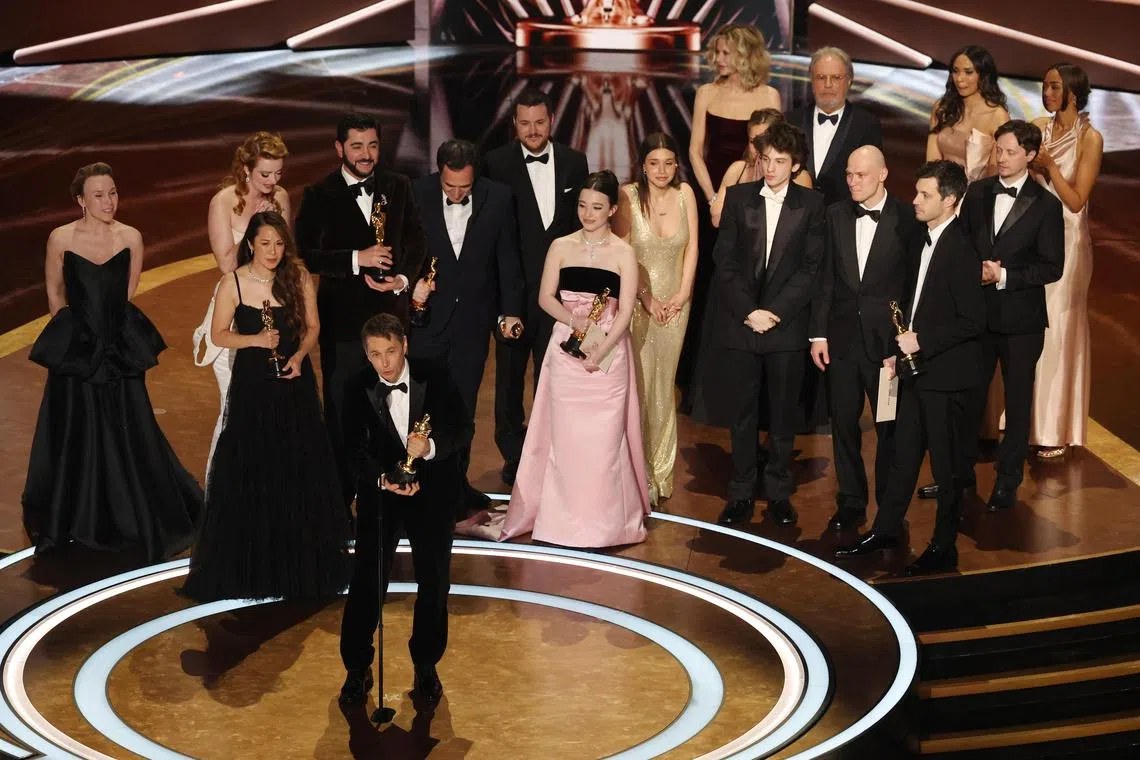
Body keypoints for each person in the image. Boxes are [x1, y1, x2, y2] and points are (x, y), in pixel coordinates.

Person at [23, 163, 203, 562]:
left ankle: (132, 515)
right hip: (78, 349)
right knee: (76, 429)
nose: (109, 202)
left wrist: (106, 337)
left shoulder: (131, 237)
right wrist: (73, 340)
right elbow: (54, 293)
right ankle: (76, 519)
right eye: (99, 195)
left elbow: (127, 291)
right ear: (81, 201)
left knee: (130, 427)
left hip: (119, 348)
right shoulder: (60, 238)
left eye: (113, 193)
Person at [464, 171, 650, 547]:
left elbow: (626, 311)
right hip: (566, 350)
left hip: (609, 354)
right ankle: (561, 520)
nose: (588, 213)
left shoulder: (624, 253)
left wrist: (601, 349)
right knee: (566, 440)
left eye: (596, 207)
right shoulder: (561, 246)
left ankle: (605, 523)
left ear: (612, 210)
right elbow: (545, 297)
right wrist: (574, 321)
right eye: (582, 205)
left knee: (603, 443)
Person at [182, 212, 351, 601]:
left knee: (296, 464)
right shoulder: (233, 283)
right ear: (251, 245)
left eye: (278, 243)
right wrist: (256, 340)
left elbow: (313, 327)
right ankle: (254, 564)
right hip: (252, 386)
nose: (273, 251)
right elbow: (218, 335)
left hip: (294, 381)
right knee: (254, 464)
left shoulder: (298, 277)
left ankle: (298, 563)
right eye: (265, 244)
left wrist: (300, 356)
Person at [835, 160, 986, 576]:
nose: (915, 200)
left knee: (946, 469)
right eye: (917, 192)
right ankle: (886, 530)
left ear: (950, 200)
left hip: (948, 378)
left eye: (925, 195)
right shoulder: (923, 238)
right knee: (903, 457)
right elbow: (915, 303)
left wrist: (921, 342)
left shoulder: (961, 248)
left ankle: (944, 547)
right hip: (917, 370)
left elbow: (973, 321)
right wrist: (898, 350)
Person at [692, 122, 826, 528]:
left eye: (780, 161)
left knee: (783, 415)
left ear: (796, 165)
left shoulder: (812, 204)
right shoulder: (738, 197)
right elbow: (724, 260)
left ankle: (779, 492)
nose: (770, 168)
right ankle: (741, 491)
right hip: (741, 322)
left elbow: (811, 268)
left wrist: (775, 312)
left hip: (785, 325)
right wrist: (749, 311)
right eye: (765, 159)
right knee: (743, 413)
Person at [337, 314, 472, 709]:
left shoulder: (437, 376)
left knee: (434, 581)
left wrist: (429, 449)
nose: (385, 363)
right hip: (382, 496)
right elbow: (351, 449)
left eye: (391, 352)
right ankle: (357, 668)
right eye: (375, 354)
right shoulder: (355, 386)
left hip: (432, 494)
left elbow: (462, 429)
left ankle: (426, 666)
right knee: (367, 580)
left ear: (405, 346)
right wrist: (382, 479)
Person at [294, 113, 427, 509]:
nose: (366, 154)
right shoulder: (319, 194)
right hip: (343, 325)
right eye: (356, 146)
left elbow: (417, 239)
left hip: (391, 318)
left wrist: (401, 279)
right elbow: (308, 254)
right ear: (339, 148)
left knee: (393, 406)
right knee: (342, 410)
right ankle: (341, 500)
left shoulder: (398, 185)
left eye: (372, 145)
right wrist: (357, 258)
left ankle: (392, 488)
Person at [953, 120, 1065, 512]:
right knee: (968, 397)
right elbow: (960, 243)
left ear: (1030, 155)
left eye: (1011, 152)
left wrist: (1003, 275)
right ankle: (959, 476)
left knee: (1017, 405)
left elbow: (1052, 267)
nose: (1001, 158)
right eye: (998, 150)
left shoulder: (1046, 205)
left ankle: (1007, 481)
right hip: (977, 317)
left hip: (1021, 323)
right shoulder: (978, 192)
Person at [409, 139, 526, 514]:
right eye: (450, 186)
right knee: (424, 405)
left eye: (465, 187)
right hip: (427, 321)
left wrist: (510, 311)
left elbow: (508, 257)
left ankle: (456, 487)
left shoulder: (498, 197)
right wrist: (410, 293)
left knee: (462, 408)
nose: (457, 194)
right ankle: (421, 486)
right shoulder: (416, 193)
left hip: (473, 323)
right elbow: (406, 253)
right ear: (438, 172)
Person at [484, 88, 589, 486]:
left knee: (556, 376)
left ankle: (552, 451)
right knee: (509, 380)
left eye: (540, 122)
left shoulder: (574, 162)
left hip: (559, 298)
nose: (533, 130)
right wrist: (500, 301)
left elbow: (580, 230)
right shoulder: (495, 164)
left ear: (551, 121)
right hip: (512, 296)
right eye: (525, 123)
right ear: (514, 124)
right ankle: (514, 456)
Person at [810, 146, 917, 532]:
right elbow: (825, 278)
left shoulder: (907, 219)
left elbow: (912, 285)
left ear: (883, 174)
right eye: (849, 175)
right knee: (843, 424)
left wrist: (903, 341)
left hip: (886, 346)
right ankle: (851, 501)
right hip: (840, 340)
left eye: (861, 175)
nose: (853, 182)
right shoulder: (836, 214)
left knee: (889, 427)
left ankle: (889, 507)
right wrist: (818, 334)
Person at [684, 24, 781, 407]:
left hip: (756, 202)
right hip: (715, 199)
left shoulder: (769, 95)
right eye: (716, 52)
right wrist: (714, 198)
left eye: (725, 52)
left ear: (745, 54)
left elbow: (775, 153)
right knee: (711, 285)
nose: (718, 59)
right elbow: (695, 151)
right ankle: (703, 381)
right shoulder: (706, 93)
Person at [194, 131, 290, 476]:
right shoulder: (222, 202)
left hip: (274, 311)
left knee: (273, 408)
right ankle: (221, 491)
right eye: (265, 173)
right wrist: (254, 226)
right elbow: (226, 265)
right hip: (235, 315)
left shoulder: (281, 197)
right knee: (234, 409)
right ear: (246, 169)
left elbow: (285, 257)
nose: (272, 181)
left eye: (278, 173)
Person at [613, 133, 699, 504]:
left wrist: (682, 295)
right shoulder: (628, 196)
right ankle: (637, 472)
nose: (662, 171)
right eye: (654, 163)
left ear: (676, 165)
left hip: (677, 306)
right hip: (638, 305)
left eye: (668, 163)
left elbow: (693, 248)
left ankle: (660, 473)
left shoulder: (686, 195)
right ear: (643, 165)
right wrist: (646, 298)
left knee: (664, 387)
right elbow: (622, 254)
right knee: (640, 386)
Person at [1029, 63, 1103, 459]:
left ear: (1073, 92)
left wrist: (1050, 167)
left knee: (1059, 328)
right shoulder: (1037, 128)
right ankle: (1023, 419)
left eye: (1055, 87)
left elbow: (1075, 201)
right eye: (1045, 86)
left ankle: (1055, 426)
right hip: (1032, 239)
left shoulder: (1091, 139)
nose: (1047, 93)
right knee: (1028, 326)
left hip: (1069, 244)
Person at [786, 47, 883, 207]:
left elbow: (872, 180)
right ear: (812, 81)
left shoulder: (867, 125)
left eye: (836, 78)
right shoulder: (790, 121)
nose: (828, 84)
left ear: (849, 81)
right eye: (821, 77)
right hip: (795, 214)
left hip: (846, 217)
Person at [711, 109, 812, 228]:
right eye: (753, 141)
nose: (758, 148)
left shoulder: (800, 177)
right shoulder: (737, 170)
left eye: (764, 141)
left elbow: (796, 225)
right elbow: (717, 221)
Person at [925, 45, 1010, 182]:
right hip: (941, 189)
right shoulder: (942, 108)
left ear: (983, 75)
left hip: (980, 191)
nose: (959, 79)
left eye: (968, 72)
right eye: (955, 71)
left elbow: (996, 172)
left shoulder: (998, 115)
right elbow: (932, 163)